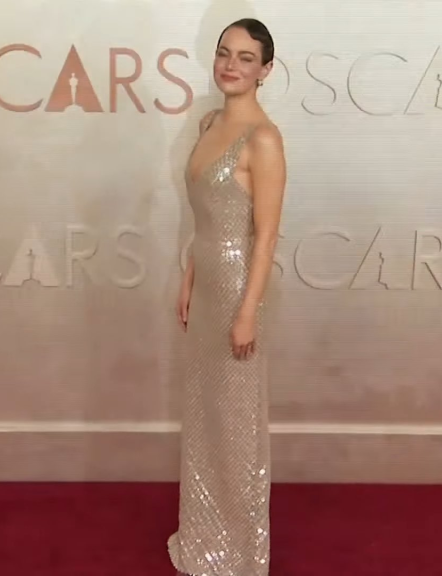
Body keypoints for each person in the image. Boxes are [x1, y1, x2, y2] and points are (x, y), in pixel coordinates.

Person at [167, 17, 286, 576]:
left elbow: (266, 234)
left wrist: (247, 313)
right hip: (208, 282)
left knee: (236, 422)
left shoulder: (263, 139)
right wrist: (190, 275)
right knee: (206, 412)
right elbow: (208, 218)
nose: (230, 65)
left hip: (241, 289)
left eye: (245, 57)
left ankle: (238, 553)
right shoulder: (210, 123)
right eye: (223, 53)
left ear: (266, 70)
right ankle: (204, 535)